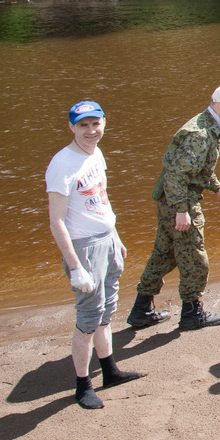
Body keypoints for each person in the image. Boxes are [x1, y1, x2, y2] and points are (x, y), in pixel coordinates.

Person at [127, 84, 220, 331]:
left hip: (171, 200)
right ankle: (192, 315)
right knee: (195, 257)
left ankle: (141, 310)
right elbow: (176, 175)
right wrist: (181, 209)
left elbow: (199, 170)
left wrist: (217, 188)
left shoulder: (208, 126)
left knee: (164, 253)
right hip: (180, 200)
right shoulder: (200, 133)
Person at [46, 100, 144, 409]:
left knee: (106, 312)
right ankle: (82, 385)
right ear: (72, 127)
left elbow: (102, 198)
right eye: (83, 125)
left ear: (104, 123)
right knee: (88, 319)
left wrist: (116, 236)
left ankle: (110, 370)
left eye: (95, 124)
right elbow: (56, 221)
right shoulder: (62, 164)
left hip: (107, 242)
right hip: (84, 248)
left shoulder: (96, 153)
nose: (91, 130)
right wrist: (75, 267)